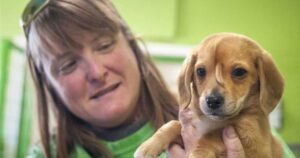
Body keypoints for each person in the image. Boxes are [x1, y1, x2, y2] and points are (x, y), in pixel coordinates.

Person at [20, 0, 294, 158]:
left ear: (133, 47)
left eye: (104, 45)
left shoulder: (247, 127)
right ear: (49, 84)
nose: (96, 71)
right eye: (68, 64)